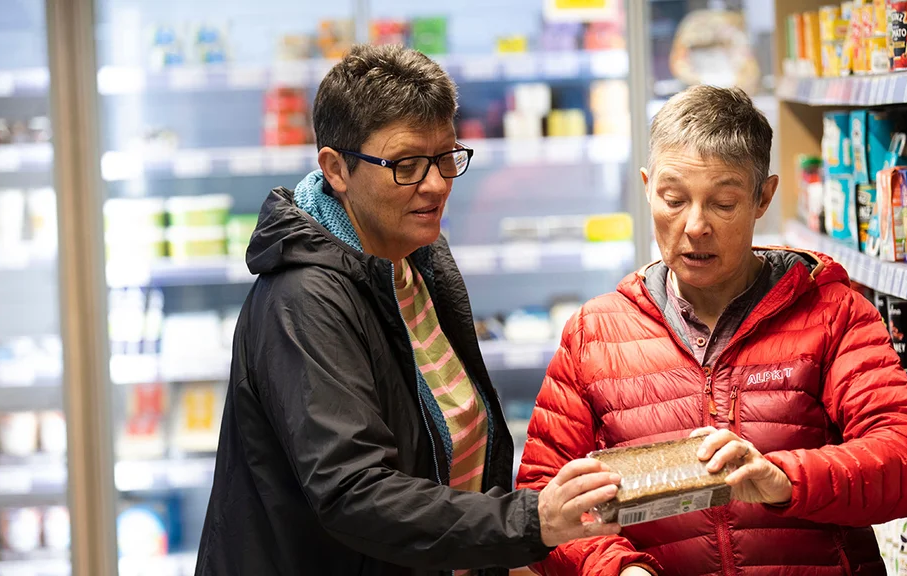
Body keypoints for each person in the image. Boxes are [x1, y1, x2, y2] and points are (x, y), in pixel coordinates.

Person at [194, 44, 625, 576]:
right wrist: (526, 523)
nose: (437, 183)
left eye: (446, 157)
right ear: (336, 169)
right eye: (405, 164)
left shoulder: (413, 263)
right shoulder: (302, 301)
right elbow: (354, 491)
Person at [516, 85, 907, 575]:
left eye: (723, 203)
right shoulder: (594, 334)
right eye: (673, 199)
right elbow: (543, 500)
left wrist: (784, 478)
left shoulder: (834, 313)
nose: (695, 225)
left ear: (764, 197)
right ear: (648, 187)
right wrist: (614, 568)